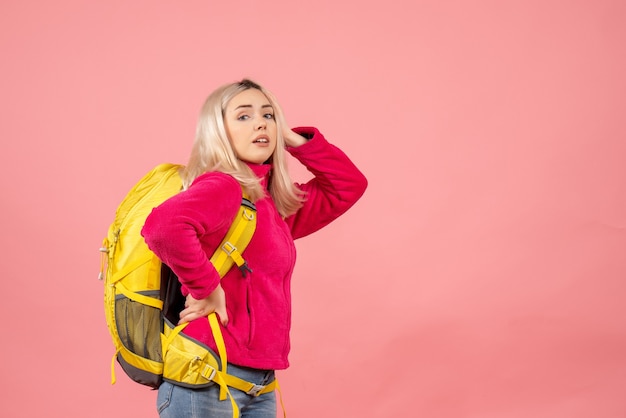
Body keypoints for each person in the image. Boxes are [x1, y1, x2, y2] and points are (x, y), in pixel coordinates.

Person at [141, 79, 367, 417]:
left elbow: (347, 186)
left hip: (258, 383)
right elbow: (162, 227)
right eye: (243, 117)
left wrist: (291, 138)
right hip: (207, 378)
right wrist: (207, 287)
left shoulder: (270, 206)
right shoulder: (222, 186)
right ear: (218, 132)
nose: (261, 123)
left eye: (268, 115)